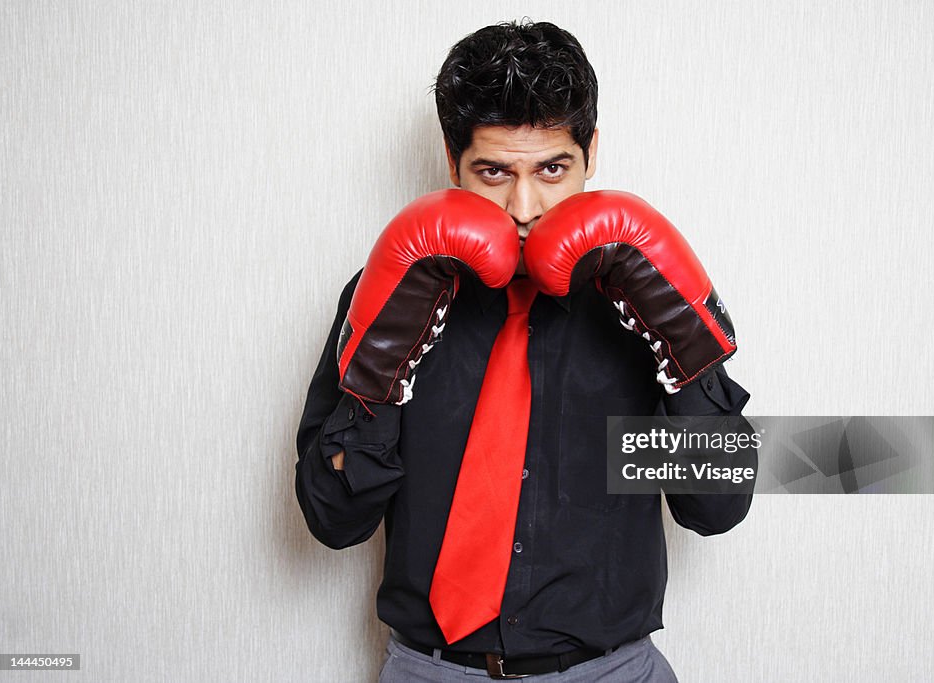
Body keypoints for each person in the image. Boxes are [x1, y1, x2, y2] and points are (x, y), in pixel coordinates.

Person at [295, 19, 756, 682]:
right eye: (493, 171)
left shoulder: (634, 298)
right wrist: (378, 376)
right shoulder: (390, 291)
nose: (524, 204)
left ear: (590, 153)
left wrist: (684, 346)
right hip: (432, 670)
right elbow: (333, 518)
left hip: (609, 670)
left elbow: (714, 507)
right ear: (451, 162)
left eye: (552, 169)